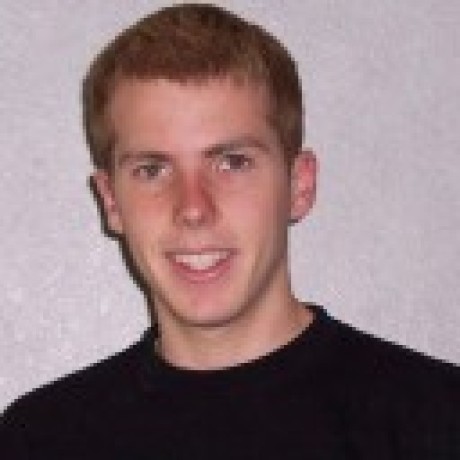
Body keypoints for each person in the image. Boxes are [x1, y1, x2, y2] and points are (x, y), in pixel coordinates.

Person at [1, 3, 459, 459]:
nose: (193, 209)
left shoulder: (440, 420)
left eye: (232, 162)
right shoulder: (37, 441)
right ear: (111, 202)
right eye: (152, 170)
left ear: (299, 186)